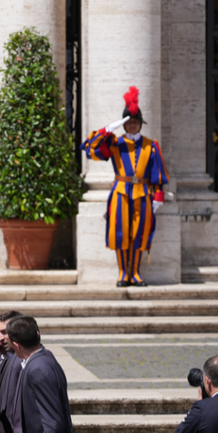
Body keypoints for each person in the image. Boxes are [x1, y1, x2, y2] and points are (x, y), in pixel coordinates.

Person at [81, 86, 169, 287]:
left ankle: (135, 273)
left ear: (140, 124)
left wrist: (158, 197)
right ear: (123, 124)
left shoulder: (151, 145)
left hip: (143, 194)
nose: (132, 125)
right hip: (121, 192)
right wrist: (108, 129)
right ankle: (123, 273)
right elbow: (89, 148)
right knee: (120, 233)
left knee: (140, 233)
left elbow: (158, 174)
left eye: (135, 122)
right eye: (128, 122)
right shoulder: (115, 143)